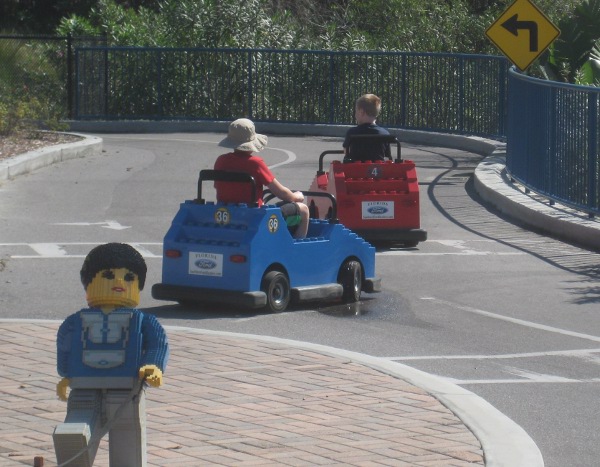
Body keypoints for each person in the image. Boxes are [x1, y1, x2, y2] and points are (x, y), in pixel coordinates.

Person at [53, 242, 170, 467]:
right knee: (74, 431)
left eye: (128, 278)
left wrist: (153, 365)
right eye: (108, 275)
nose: (118, 282)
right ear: (89, 281)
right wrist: (66, 373)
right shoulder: (74, 322)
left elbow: (158, 344)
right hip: (84, 385)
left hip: (126, 389)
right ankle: (74, 457)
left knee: (127, 435)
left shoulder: (144, 321)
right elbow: (65, 347)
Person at [214, 118, 309, 239]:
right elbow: (281, 193)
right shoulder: (255, 163)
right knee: (304, 210)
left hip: (228, 212)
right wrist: (297, 196)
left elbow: (219, 186)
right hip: (254, 215)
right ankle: (297, 250)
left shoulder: (221, 161)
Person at [343, 93, 391, 163]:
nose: (355, 114)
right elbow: (387, 156)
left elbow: (346, 152)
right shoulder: (385, 134)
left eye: (356, 111)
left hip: (354, 171)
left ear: (361, 112)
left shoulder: (352, 133)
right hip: (378, 171)